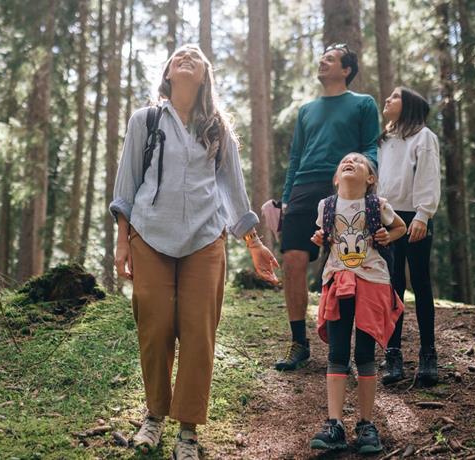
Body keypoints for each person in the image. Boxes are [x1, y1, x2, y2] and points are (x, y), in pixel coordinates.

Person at [109, 44, 279, 459]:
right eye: (179, 55)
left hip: (205, 240)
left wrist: (252, 243)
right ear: (168, 71)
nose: (186, 57)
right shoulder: (145, 120)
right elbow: (127, 184)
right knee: (155, 329)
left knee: (199, 334)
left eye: (196, 57)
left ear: (204, 75)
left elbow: (232, 190)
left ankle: (188, 430)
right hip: (148, 237)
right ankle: (154, 415)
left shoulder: (217, 127)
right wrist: (121, 241)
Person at [276, 43, 381, 371]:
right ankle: (298, 342)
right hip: (304, 189)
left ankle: (344, 350)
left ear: (346, 69)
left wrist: (365, 185)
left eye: (330, 59)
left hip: (344, 188)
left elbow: (370, 149)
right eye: (322, 57)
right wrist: (286, 197)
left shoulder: (363, 104)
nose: (322, 61)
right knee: (292, 260)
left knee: (345, 266)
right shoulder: (307, 110)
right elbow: (295, 157)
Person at [308, 153, 406, 454]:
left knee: (364, 354)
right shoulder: (326, 206)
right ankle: (334, 423)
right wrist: (320, 237)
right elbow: (326, 236)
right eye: (344, 162)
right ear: (337, 178)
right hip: (338, 281)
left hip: (372, 282)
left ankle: (366, 424)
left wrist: (386, 236)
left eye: (358, 161)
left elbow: (400, 227)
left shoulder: (378, 205)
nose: (349, 161)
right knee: (337, 352)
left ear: (370, 179)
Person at [376, 87, 441, 386]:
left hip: (414, 218)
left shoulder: (423, 136)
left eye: (394, 97)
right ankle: (393, 354)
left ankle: (428, 355)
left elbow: (427, 175)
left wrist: (423, 215)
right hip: (388, 219)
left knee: (420, 282)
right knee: (392, 286)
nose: (387, 101)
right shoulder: (385, 141)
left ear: (410, 105)